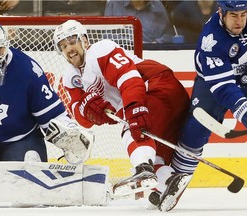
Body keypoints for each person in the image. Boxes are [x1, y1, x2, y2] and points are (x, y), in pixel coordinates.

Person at [53, 19, 191, 210]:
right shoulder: (71, 77)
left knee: (132, 130)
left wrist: (134, 107)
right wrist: (90, 110)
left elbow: (129, 77)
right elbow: (80, 117)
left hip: (156, 87)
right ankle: (169, 180)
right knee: (155, 154)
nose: (69, 48)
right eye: (63, 46)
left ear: (84, 40)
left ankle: (143, 170)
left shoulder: (100, 50)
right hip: (157, 100)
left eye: (72, 41)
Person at [0, 20, 77, 196]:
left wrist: (71, 139)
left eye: (2, 48)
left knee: (25, 191)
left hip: (21, 138)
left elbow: (52, 115)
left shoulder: (26, 68)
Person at [163, 0, 247, 211]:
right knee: (194, 132)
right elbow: (225, 88)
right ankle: (172, 183)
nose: (240, 21)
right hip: (214, 84)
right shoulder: (212, 40)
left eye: (244, 14)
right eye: (234, 15)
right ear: (221, 12)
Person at [104, 0, 173, 44]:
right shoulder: (114, 4)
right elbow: (106, 35)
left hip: (152, 54)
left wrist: (156, 43)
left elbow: (168, 33)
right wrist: (135, 42)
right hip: (122, 54)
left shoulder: (158, 5)